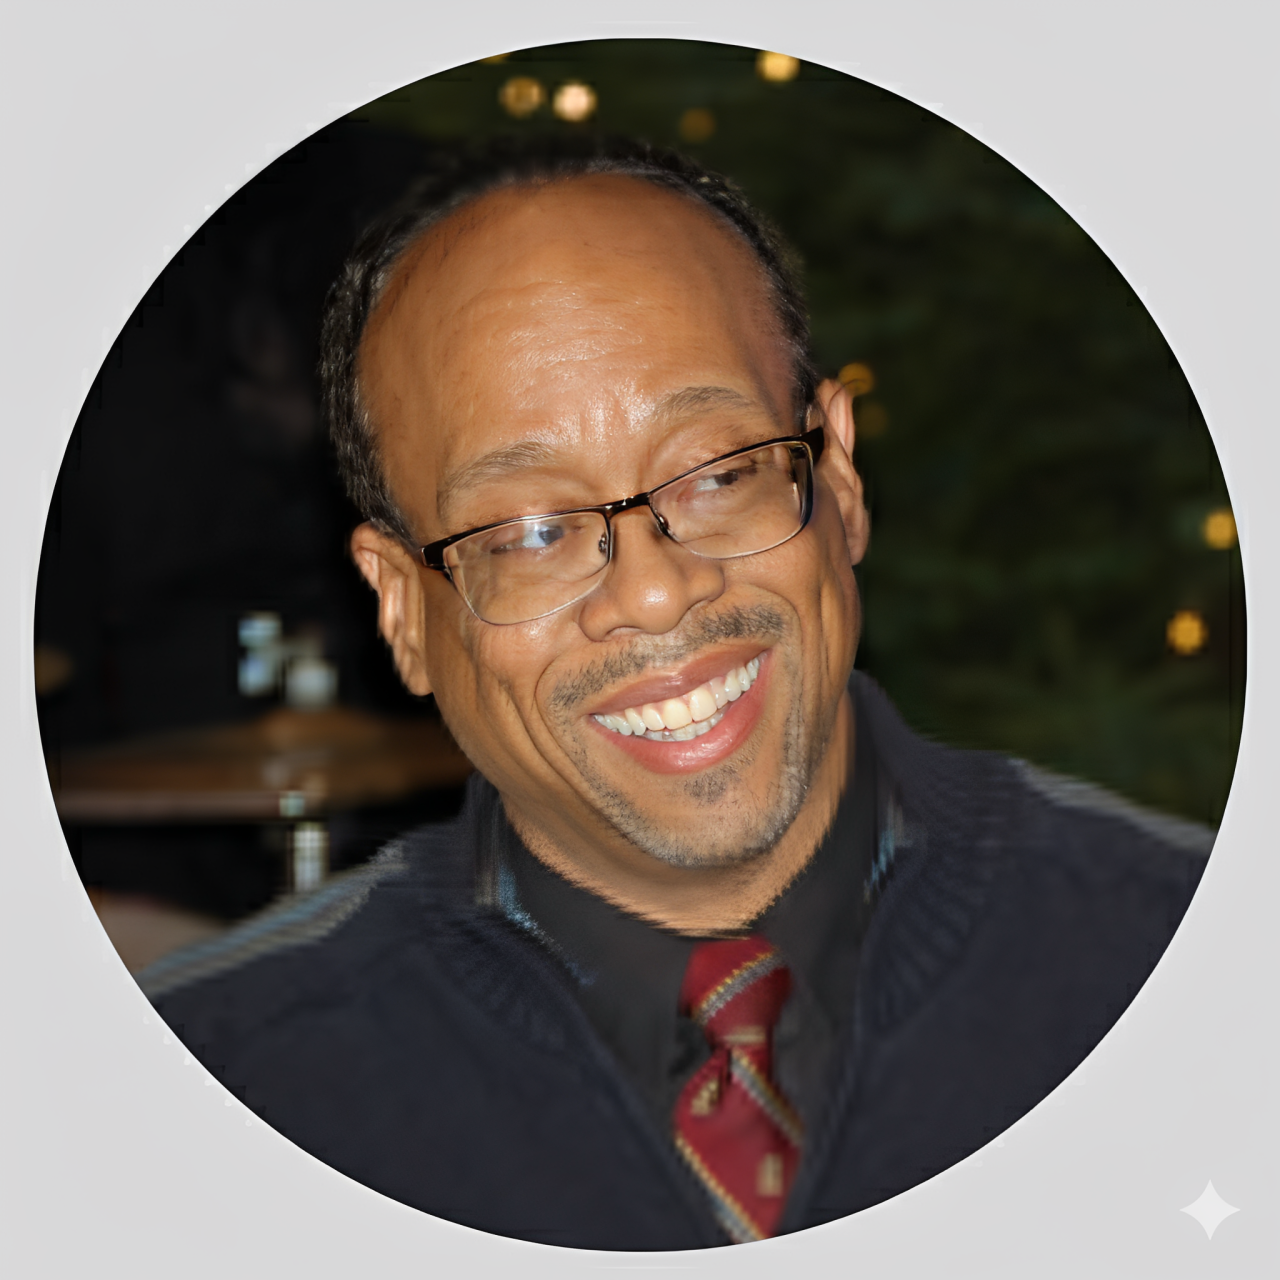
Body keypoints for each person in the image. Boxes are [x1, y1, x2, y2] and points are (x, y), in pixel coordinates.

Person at [145, 139, 1212, 1250]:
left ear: (837, 479)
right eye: (532, 532)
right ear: (405, 611)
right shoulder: (211, 1107)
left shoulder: (1199, 972)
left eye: (719, 474)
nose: (656, 591)